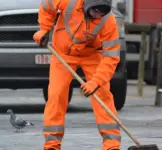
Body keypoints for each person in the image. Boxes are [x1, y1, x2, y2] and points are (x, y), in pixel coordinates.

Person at [33, 0, 121, 150]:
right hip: (63, 52)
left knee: (103, 94)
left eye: (102, 12)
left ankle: (112, 145)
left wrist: (96, 81)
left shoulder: (108, 20)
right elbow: (47, 6)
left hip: (92, 55)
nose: (98, 16)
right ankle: (52, 144)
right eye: (95, 12)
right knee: (56, 94)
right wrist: (44, 29)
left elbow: (111, 57)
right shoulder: (68, 1)